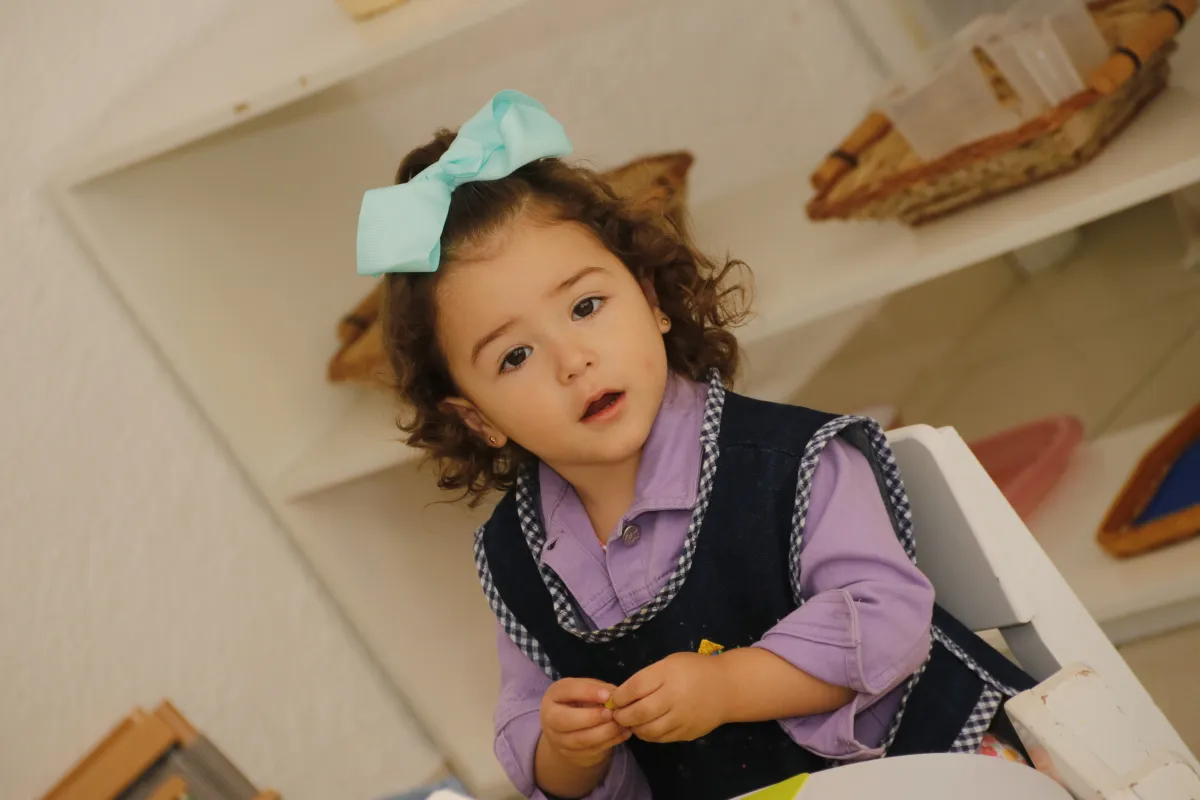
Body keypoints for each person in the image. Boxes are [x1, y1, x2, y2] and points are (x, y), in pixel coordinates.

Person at [355, 90, 1034, 800]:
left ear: (649, 300)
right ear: (476, 419)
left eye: (587, 307)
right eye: (515, 356)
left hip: (931, 772)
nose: (572, 361)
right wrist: (568, 747)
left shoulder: (788, 463)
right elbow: (530, 730)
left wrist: (727, 685)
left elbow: (888, 619)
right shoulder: (519, 559)